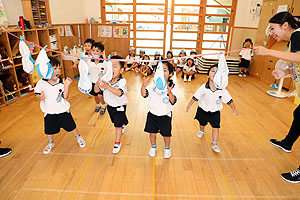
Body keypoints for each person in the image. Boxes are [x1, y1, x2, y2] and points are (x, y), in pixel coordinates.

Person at [254, 11, 300, 153]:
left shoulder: (297, 35)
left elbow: (298, 58)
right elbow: (296, 65)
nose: (271, 33)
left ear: (285, 25)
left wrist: (268, 52)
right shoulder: (291, 42)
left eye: (273, 28)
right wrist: (284, 73)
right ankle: (287, 143)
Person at [34, 57, 86, 154]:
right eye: (54, 68)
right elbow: (36, 94)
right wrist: (39, 96)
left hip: (63, 110)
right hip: (49, 111)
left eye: (59, 68)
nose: (58, 71)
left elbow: (65, 96)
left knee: (71, 126)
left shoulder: (61, 82)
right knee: (49, 130)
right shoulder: (41, 83)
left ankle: (78, 137)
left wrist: (66, 86)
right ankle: (50, 143)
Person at [186, 64, 239, 153]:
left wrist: (234, 108)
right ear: (207, 75)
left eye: (217, 71)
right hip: (203, 110)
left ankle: (214, 143)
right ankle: (201, 130)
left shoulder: (222, 89)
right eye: (213, 71)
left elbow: (229, 100)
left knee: (216, 127)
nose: (215, 72)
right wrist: (189, 105)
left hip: (215, 112)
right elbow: (195, 97)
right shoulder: (203, 87)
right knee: (202, 123)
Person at [141, 61, 177, 158]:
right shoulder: (153, 84)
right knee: (152, 133)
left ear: (170, 74)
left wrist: (169, 93)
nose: (160, 72)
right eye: (159, 70)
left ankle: (167, 148)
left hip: (165, 115)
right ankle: (153, 147)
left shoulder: (172, 86)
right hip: (152, 113)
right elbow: (144, 94)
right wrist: (143, 86)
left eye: (164, 70)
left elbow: (173, 101)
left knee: (166, 135)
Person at [95, 55, 128, 154]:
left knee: (117, 126)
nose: (112, 69)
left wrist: (107, 87)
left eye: (115, 66)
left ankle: (117, 142)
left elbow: (119, 93)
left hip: (120, 106)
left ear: (121, 70)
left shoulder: (122, 81)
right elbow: (96, 90)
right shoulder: (106, 80)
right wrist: (97, 83)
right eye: (110, 66)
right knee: (116, 121)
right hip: (110, 106)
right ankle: (123, 123)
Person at [87, 42, 107, 115]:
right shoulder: (89, 61)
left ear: (101, 53)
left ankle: (103, 106)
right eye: (93, 50)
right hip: (92, 82)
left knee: (100, 95)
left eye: (97, 51)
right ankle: (98, 105)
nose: (95, 52)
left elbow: (107, 72)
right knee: (95, 96)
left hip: (100, 82)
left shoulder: (104, 62)